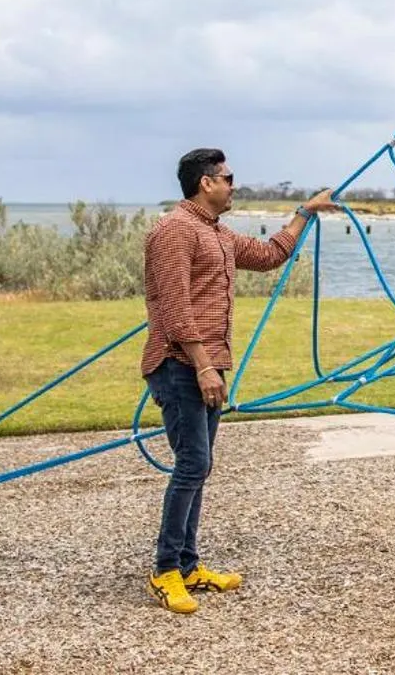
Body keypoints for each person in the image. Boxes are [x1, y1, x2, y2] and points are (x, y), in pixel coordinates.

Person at [142, 147, 339, 614]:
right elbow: (174, 308)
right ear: (206, 183)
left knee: (199, 465)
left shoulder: (216, 233)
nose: (234, 184)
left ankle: (188, 566)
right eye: (228, 177)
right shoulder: (173, 231)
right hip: (180, 365)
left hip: (205, 364)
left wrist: (303, 213)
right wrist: (204, 365)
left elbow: (269, 255)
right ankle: (165, 570)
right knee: (192, 464)